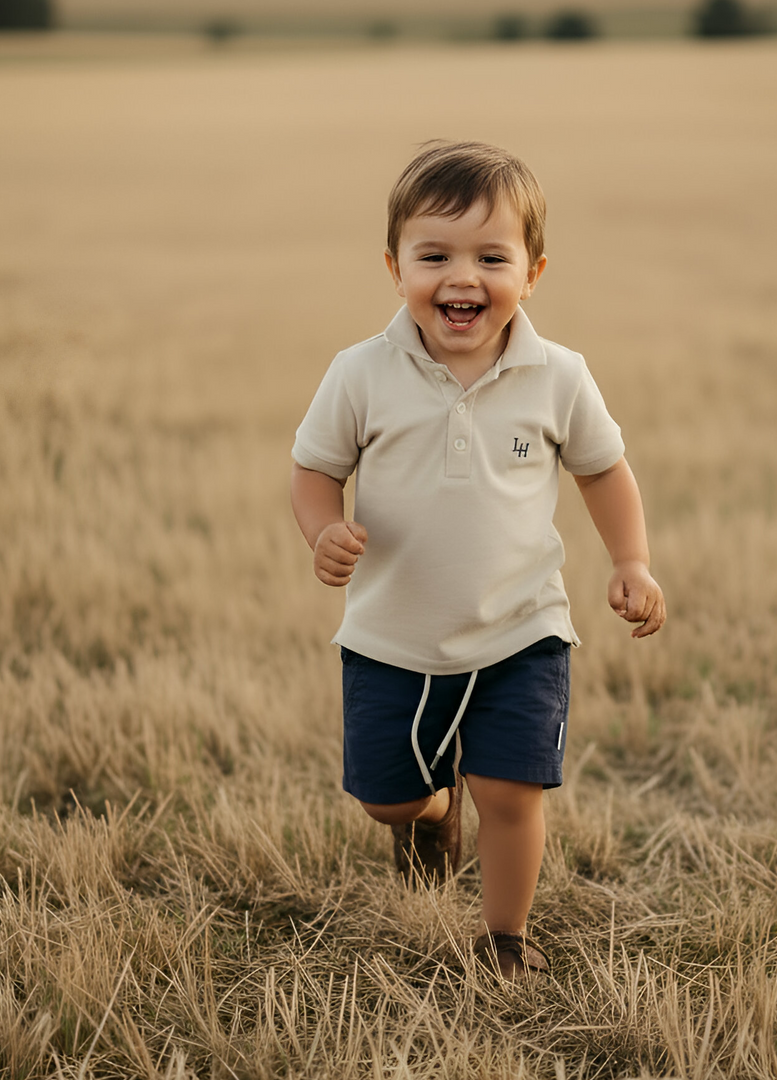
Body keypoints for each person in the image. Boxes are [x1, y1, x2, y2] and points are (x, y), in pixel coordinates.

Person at [290, 141, 665, 978]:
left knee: (511, 795)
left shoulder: (558, 376)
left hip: (522, 631)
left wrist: (631, 561)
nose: (463, 277)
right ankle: (428, 810)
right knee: (386, 796)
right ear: (395, 268)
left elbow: (604, 470)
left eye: (492, 257)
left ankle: (504, 938)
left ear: (532, 272)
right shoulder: (360, 373)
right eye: (436, 256)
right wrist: (323, 531)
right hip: (393, 637)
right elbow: (314, 472)